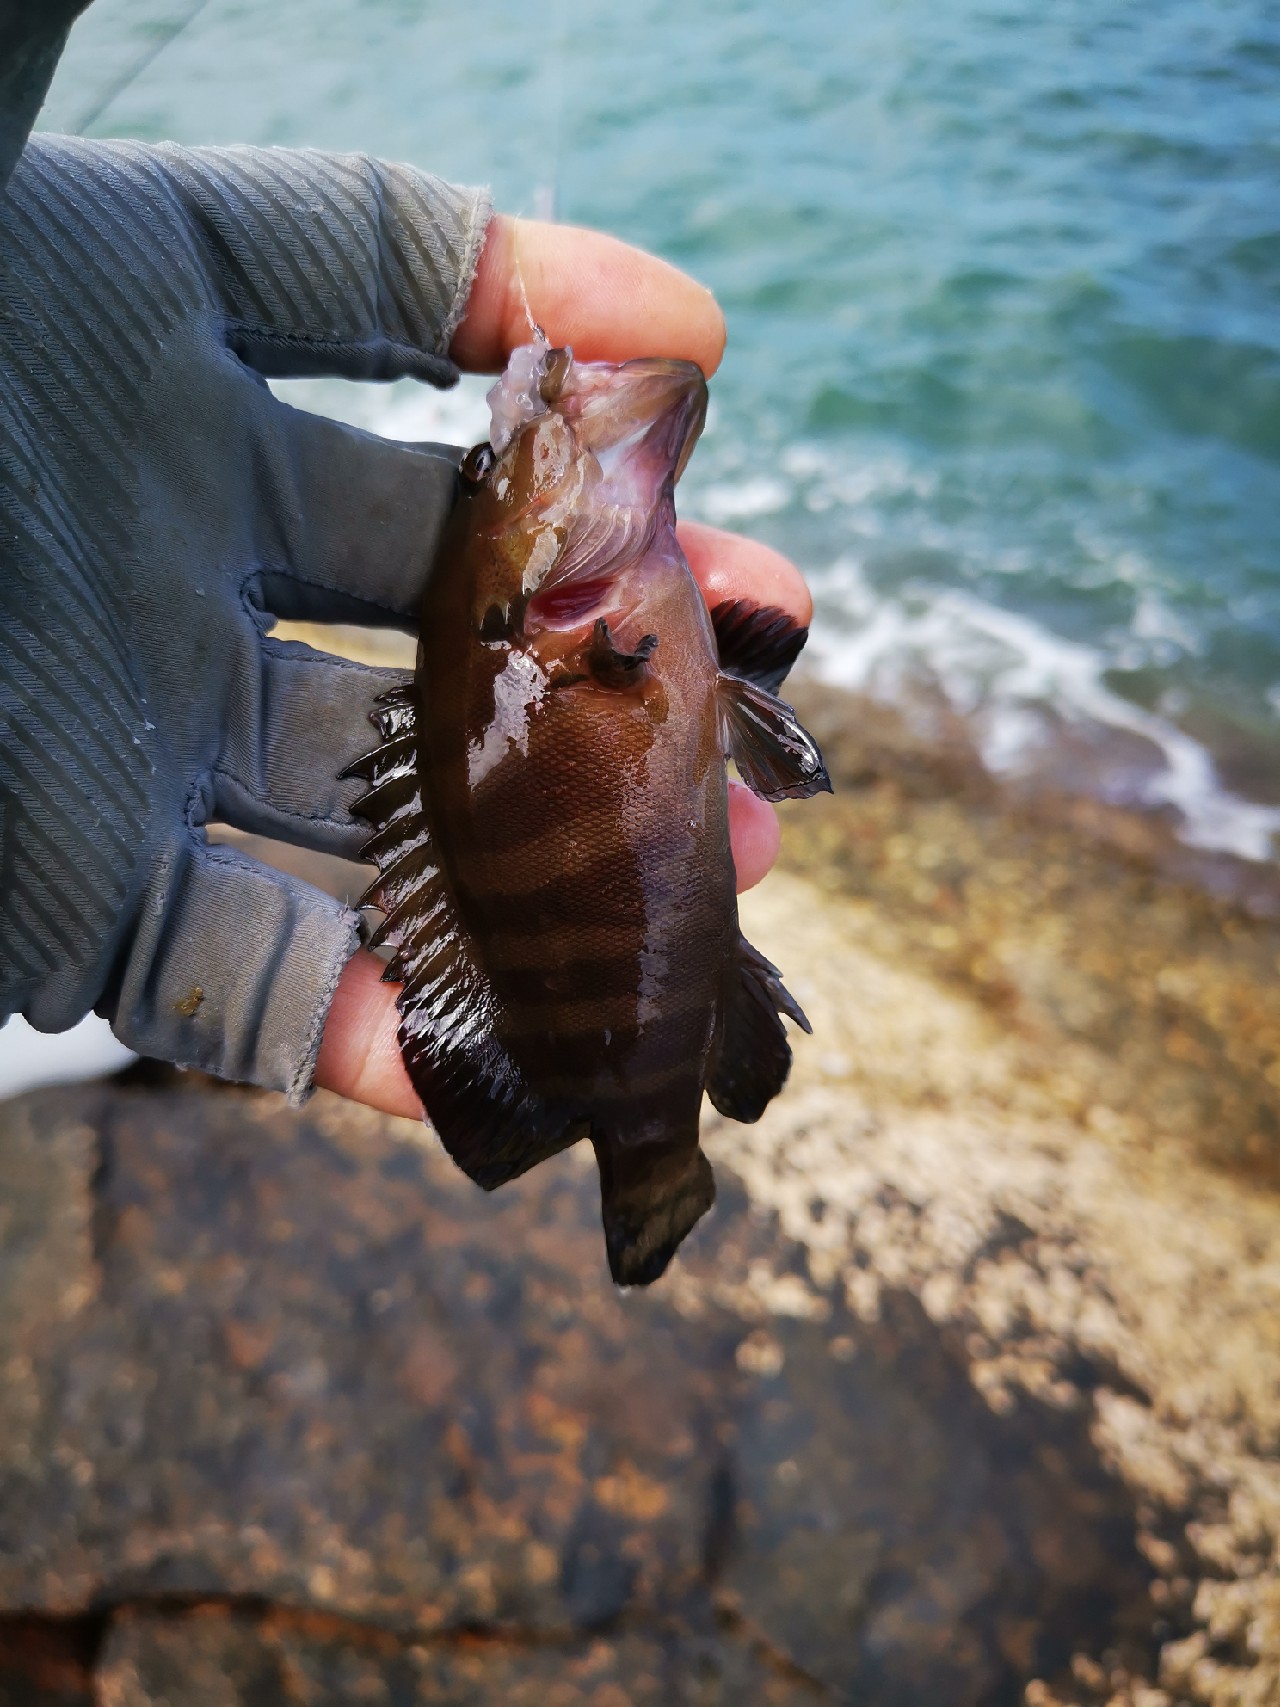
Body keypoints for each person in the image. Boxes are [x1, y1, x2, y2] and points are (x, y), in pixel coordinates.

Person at [0, 4, 811, 1124]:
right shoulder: (581, 619)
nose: (504, 472)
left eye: (486, 481)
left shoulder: (573, 616)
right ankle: (645, 1151)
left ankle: (638, 1140)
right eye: (489, 482)